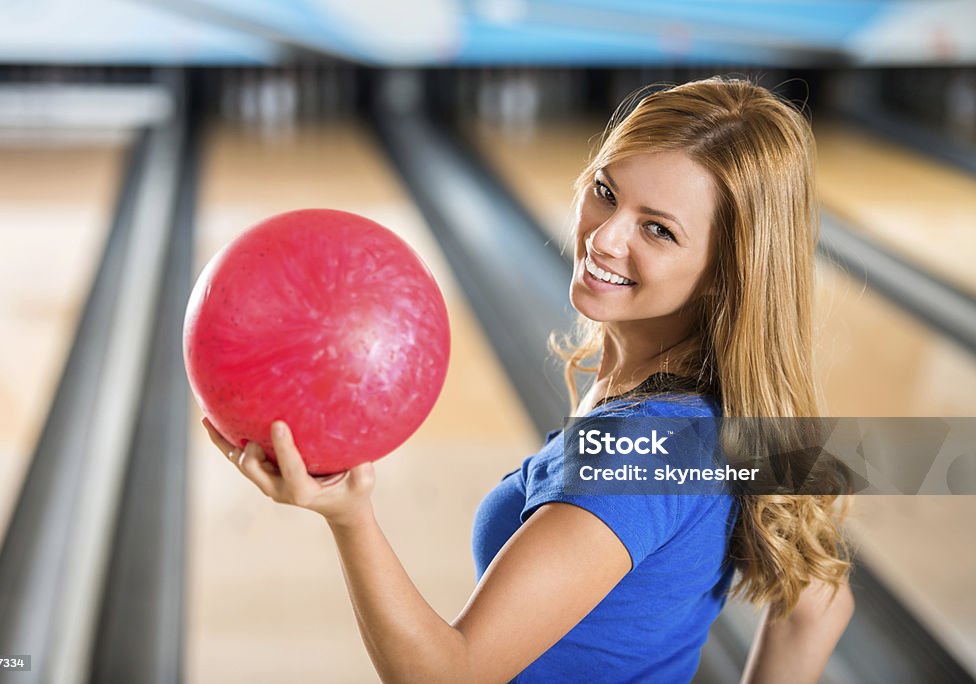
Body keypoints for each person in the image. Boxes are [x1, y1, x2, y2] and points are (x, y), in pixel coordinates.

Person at [202, 76, 855, 683]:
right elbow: (820, 605)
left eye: (657, 230)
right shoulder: (741, 409)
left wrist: (349, 516)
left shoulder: (641, 449)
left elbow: (449, 673)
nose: (604, 238)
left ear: (725, 271)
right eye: (606, 191)